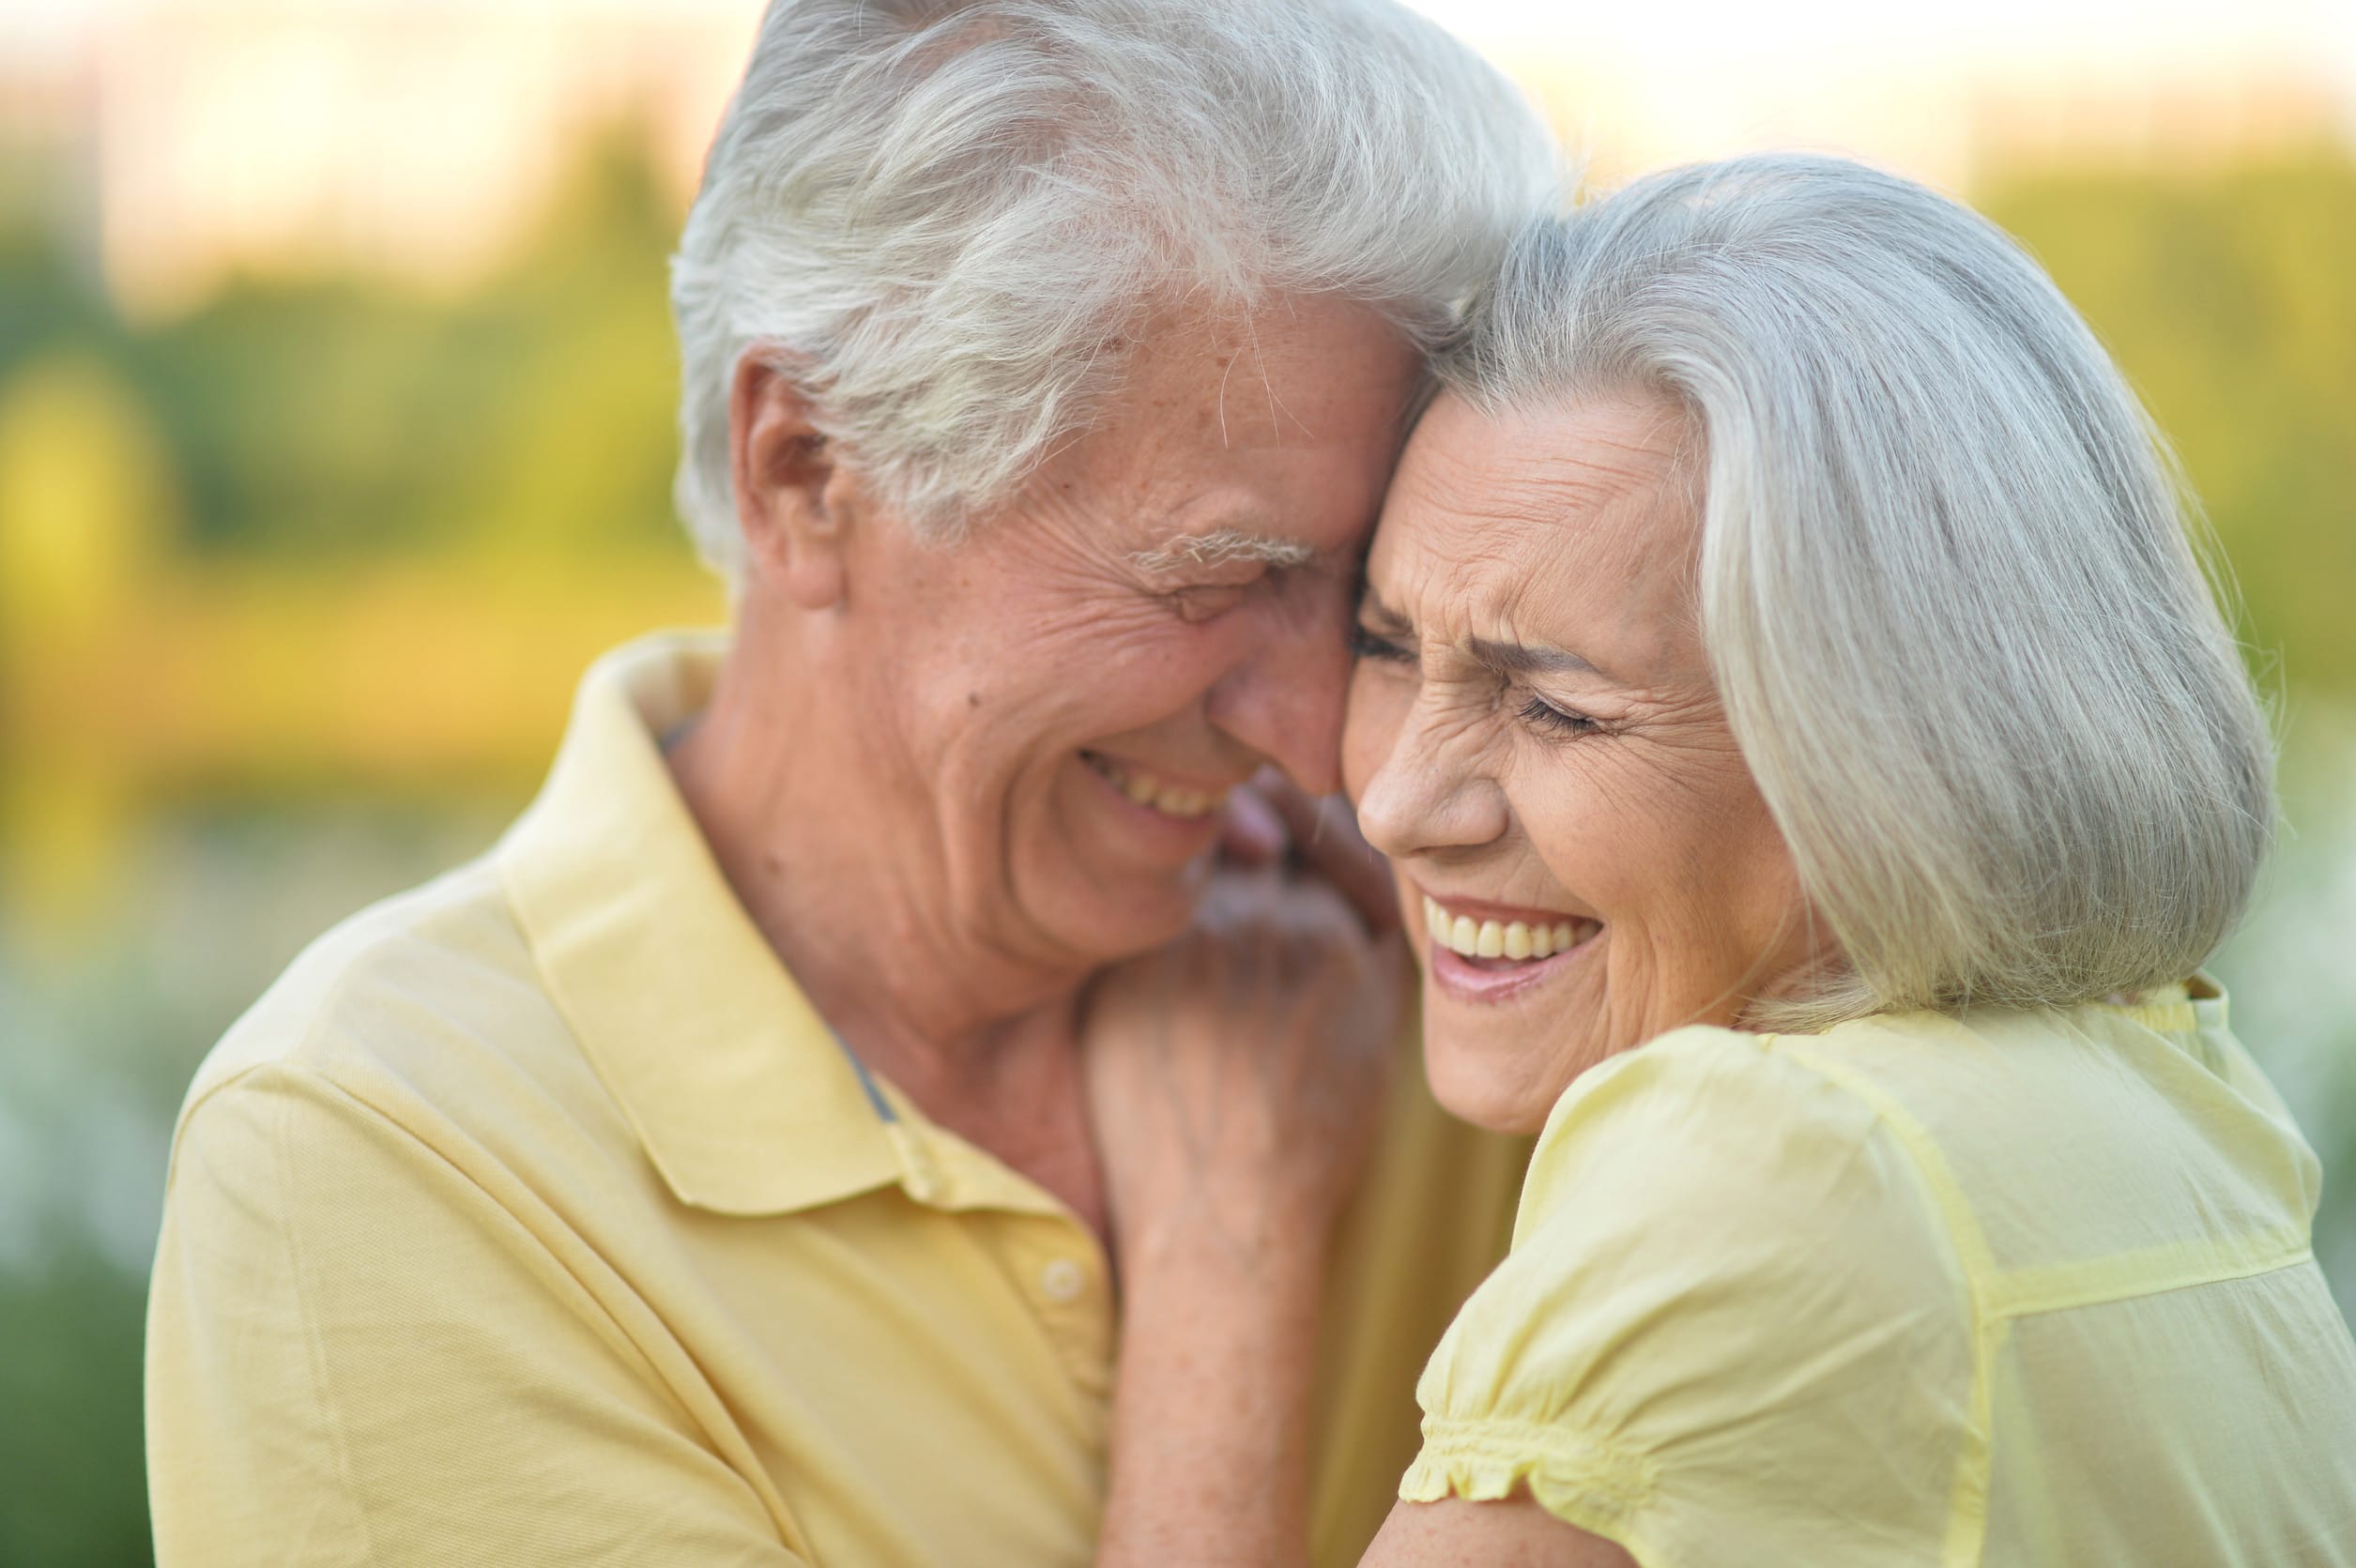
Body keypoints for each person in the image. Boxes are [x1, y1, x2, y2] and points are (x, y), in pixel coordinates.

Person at [142, 3, 1562, 1563]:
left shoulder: (1502, 971)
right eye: (1213, 579)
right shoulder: (381, 1162)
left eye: (1361, 596)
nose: (1322, 753)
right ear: (805, 471)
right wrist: (1228, 1270)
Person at [1087, 154, 2356, 1566]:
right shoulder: (2174, 1093)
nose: (1393, 803)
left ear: (1903, 747)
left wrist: (1217, 1256)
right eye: (1385, 648)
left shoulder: (1770, 1173)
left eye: (1553, 703)